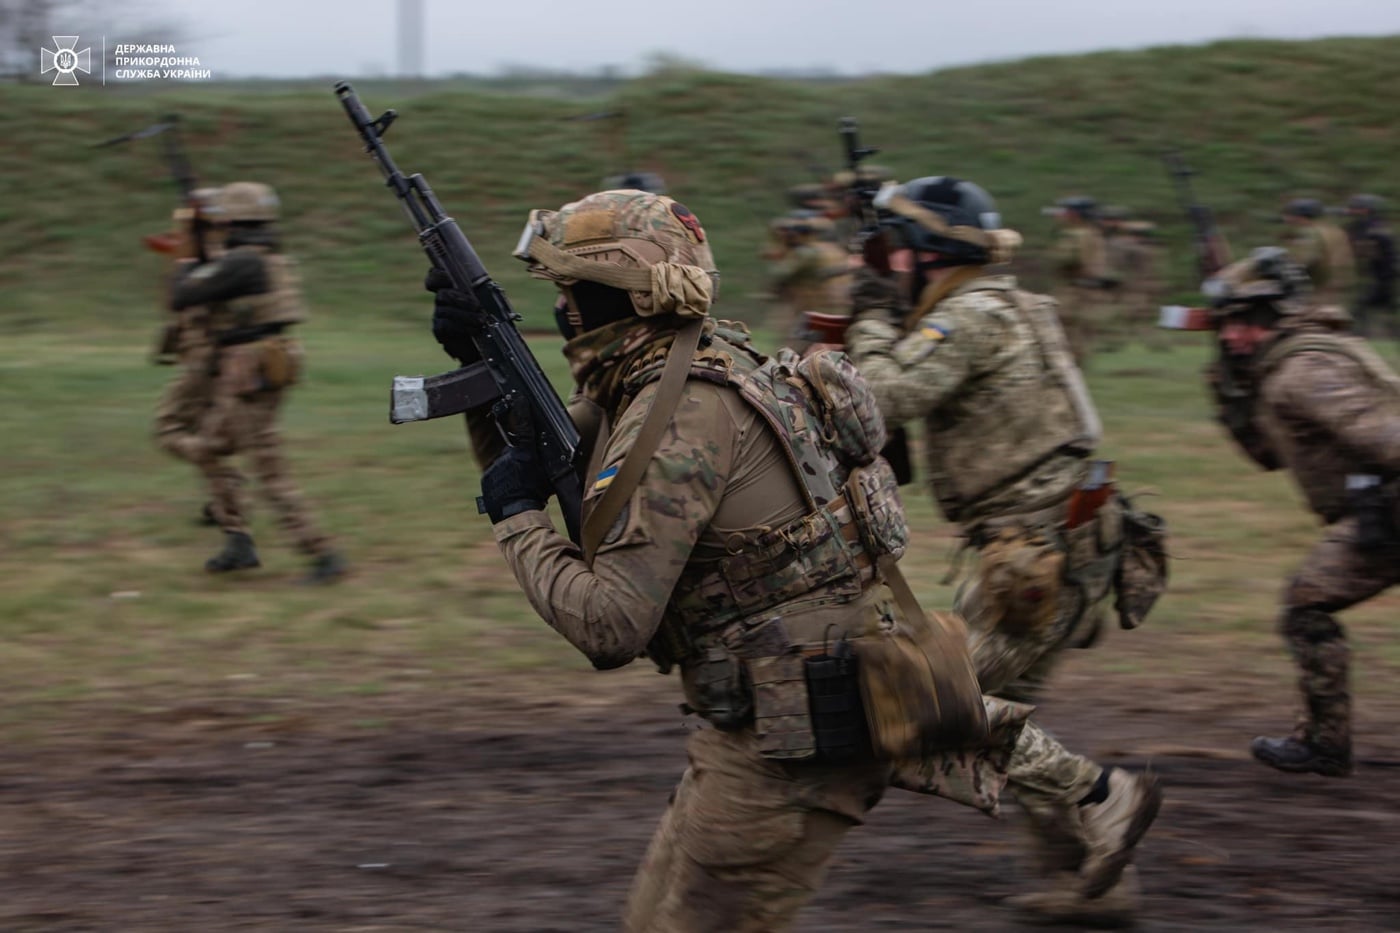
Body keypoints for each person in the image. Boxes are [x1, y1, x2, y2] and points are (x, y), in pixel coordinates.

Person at [428, 187, 1152, 931]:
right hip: (769, 716)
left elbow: (610, 621)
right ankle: (1092, 792)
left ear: (622, 296)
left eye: (571, 292)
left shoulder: (683, 412)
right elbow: (554, 466)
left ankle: (1090, 795)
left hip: (789, 740)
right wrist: (484, 370)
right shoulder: (689, 370)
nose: (561, 312)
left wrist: (516, 520)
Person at [843, 176, 1168, 924]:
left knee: (934, 702)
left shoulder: (971, 315)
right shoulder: (1016, 302)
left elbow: (880, 396)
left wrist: (867, 317)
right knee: (999, 713)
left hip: (1035, 545)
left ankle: (1101, 795)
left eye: (900, 252)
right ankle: (1091, 878)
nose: (892, 265)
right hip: (1063, 536)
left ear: (932, 254)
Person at [1202, 245, 1400, 777]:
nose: (1231, 335)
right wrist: (1228, 394)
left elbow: (1389, 438)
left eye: (1247, 322)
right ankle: (1324, 742)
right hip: (1381, 513)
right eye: (1226, 323)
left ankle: (1325, 743)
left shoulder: (1304, 372)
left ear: (1279, 317)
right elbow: (1268, 456)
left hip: (1390, 511)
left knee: (1306, 606)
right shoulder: (1291, 364)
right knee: (1307, 604)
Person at [163, 182, 346, 583]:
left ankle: (321, 553)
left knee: (267, 469)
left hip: (248, 374)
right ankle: (237, 539)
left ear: (234, 220)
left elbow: (181, 294)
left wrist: (189, 249)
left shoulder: (243, 262)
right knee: (210, 448)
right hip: (256, 369)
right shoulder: (265, 258)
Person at [151, 187, 222, 524]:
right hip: (204, 358)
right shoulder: (208, 258)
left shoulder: (209, 262)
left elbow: (178, 300)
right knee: (204, 429)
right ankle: (220, 503)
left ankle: (229, 485)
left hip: (203, 362)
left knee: (169, 427)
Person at [762, 210, 852, 346]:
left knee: (795, 348)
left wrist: (781, 246)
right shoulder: (835, 250)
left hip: (811, 309)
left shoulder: (805, 253)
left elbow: (780, 273)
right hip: (835, 308)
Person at [1049, 195, 1120, 364]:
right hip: (1091, 293)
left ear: (1075, 214)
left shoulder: (1075, 235)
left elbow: (1063, 259)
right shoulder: (1094, 233)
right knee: (1082, 337)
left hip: (1074, 294)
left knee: (1067, 337)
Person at [1102, 206, 1167, 350]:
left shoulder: (1130, 246)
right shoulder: (1151, 247)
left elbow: (1118, 262)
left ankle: (1157, 344)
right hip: (1145, 286)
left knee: (1133, 317)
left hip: (1135, 287)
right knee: (1133, 317)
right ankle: (1115, 343)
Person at [1281, 197, 1355, 305]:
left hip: (1320, 292)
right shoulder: (1334, 230)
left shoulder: (1309, 233)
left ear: (1300, 217)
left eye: (1290, 215)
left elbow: (1302, 261)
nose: (1287, 219)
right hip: (1340, 289)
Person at [1344, 194, 1397, 337]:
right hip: (1378, 276)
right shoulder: (1369, 226)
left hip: (1380, 277)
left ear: (1365, 210)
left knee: (1361, 308)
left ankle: (1359, 334)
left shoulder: (1373, 229)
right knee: (1366, 308)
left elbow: (1367, 251)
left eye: (1355, 208)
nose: (1351, 211)